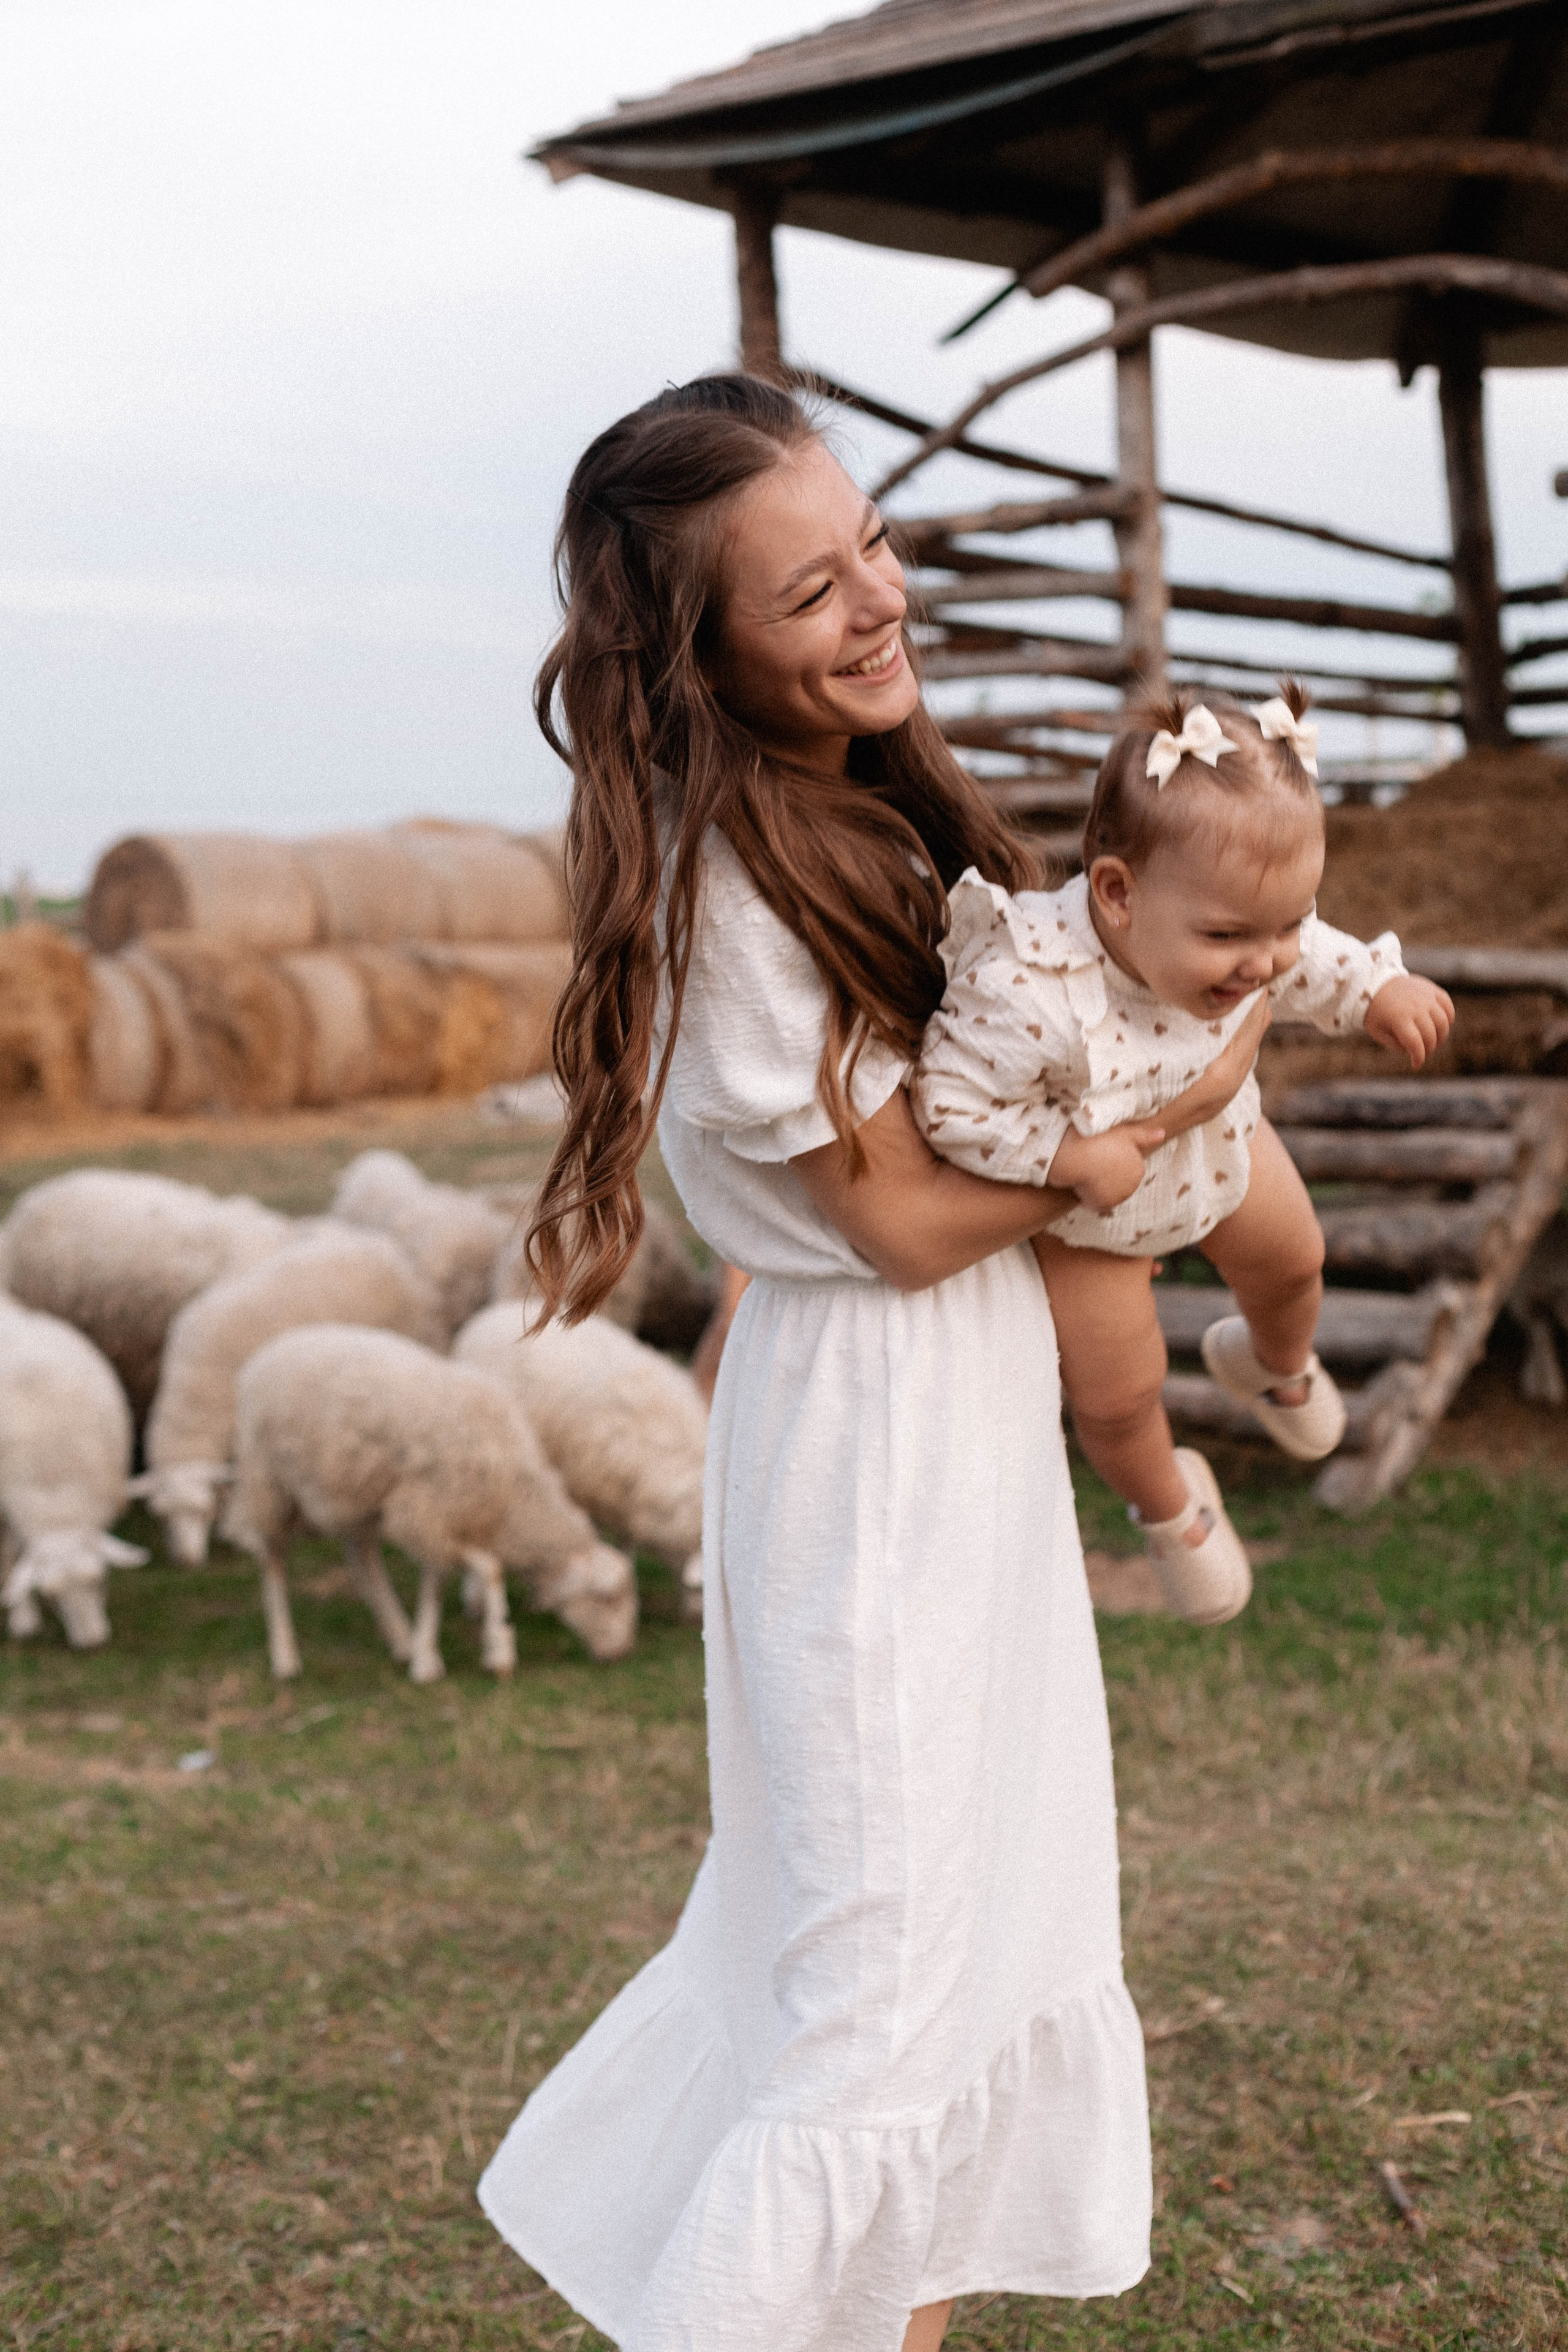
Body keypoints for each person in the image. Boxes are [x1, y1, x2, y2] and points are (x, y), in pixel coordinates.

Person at [478, 374, 1267, 2352]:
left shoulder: (857, 807)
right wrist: (1164, 1118)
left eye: (875, 548)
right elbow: (907, 1221)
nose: (879, 602)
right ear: (699, 655)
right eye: (810, 590)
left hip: (959, 1418)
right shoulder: (731, 883)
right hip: (872, 1437)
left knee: (966, 1955)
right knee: (876, 1994)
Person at [910, 690, 1454, 1623]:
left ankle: (1272, 1363)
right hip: (1090, 1213)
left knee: (1297, 1260)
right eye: (1229, 937)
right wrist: (1065, 1156)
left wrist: (1375, 988)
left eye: (1285, 925)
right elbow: (948, 1103)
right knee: (1116, 1396)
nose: (1264, 962)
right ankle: (1172, 1510)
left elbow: (1308, 955)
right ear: (1117, 893)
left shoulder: (1248, 932)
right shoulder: (1029, 988)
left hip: (1216, 1141)